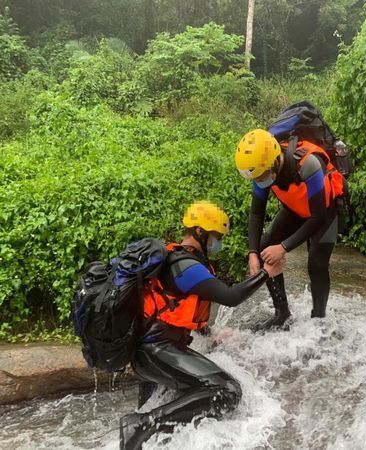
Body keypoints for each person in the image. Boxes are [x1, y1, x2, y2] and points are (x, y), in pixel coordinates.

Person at [119, 201, 284, 449]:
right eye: (215, 236)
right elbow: (231, 297)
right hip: (157, 349)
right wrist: (266, 274)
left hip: (151, 350)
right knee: (226, 390)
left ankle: (141, 428)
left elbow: (174, 307)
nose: (216, 242)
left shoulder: (177, 258)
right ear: (199, 232)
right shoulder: (187, 266)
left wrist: (210, 333)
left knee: (156, 438)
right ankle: (142, 424)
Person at [234, 129, 345, 328]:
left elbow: (317, 217)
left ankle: (318, 319)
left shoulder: (307, 165)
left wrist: (283, 248)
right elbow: (256, 214)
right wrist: (252, 252)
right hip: (296, 209)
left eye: (264, 176)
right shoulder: (261, 170)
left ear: (276, 161)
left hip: (324, 212)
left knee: (316, 264)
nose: (260, 182)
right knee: (264, 247)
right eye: (257, 178)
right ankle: (282, 312)